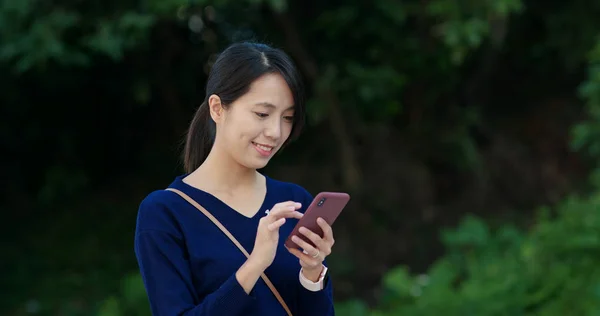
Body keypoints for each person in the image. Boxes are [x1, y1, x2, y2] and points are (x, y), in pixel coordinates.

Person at [134, 42, 336, 315]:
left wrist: (313, 273)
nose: (276, 132)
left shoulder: (295, 203)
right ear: (217, 109)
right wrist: (255, 265)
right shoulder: (165, 213)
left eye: (287, 118)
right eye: (262, 114)